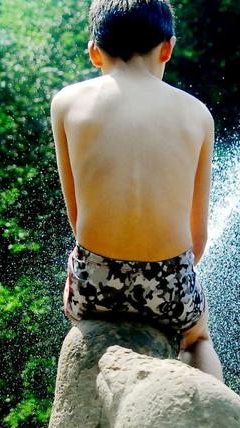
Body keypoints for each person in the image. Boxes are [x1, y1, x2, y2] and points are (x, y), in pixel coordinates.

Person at [50, 0, 222, 382]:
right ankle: (212, 404)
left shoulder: (65, 102)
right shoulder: (197, 113)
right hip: (169, 283)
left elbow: (76, 218)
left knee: (75, 268)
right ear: (168, 48)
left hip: (95, 285)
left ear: (94, 52)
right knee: (198, 338)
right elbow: (198, 237)